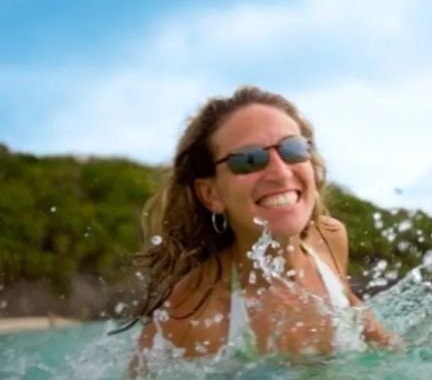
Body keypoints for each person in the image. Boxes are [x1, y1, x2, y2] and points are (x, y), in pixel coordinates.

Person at [123, 86, 394, 374]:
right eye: (249, 159)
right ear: (211, 194)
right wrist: (306, 363)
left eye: (293, 149)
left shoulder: (329, 238)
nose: (280, 172)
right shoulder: (193, 314)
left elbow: (374, 335)